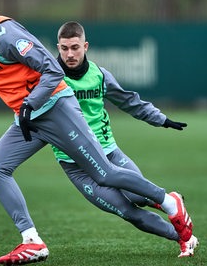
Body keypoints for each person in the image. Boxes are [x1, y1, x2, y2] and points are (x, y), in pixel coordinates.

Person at [0, 0, 194, 265]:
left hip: (55, 108)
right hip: (29, 117)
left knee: (106, 174)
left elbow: (53, 69)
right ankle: (32, 241)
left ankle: (170, 203)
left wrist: (30, 103)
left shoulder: (7, 35)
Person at [53, 21, 198, 257]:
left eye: (75, 47)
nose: (70, 54)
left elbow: (129, 101)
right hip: (75, 166)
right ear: (58, 47)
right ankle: (185, 238)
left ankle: (171, 202)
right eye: (64, 48)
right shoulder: (50, 78)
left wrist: (161, 119)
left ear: (86, 46)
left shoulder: (99, 75)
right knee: (128, 213)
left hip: (108, 153)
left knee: (138, 197)